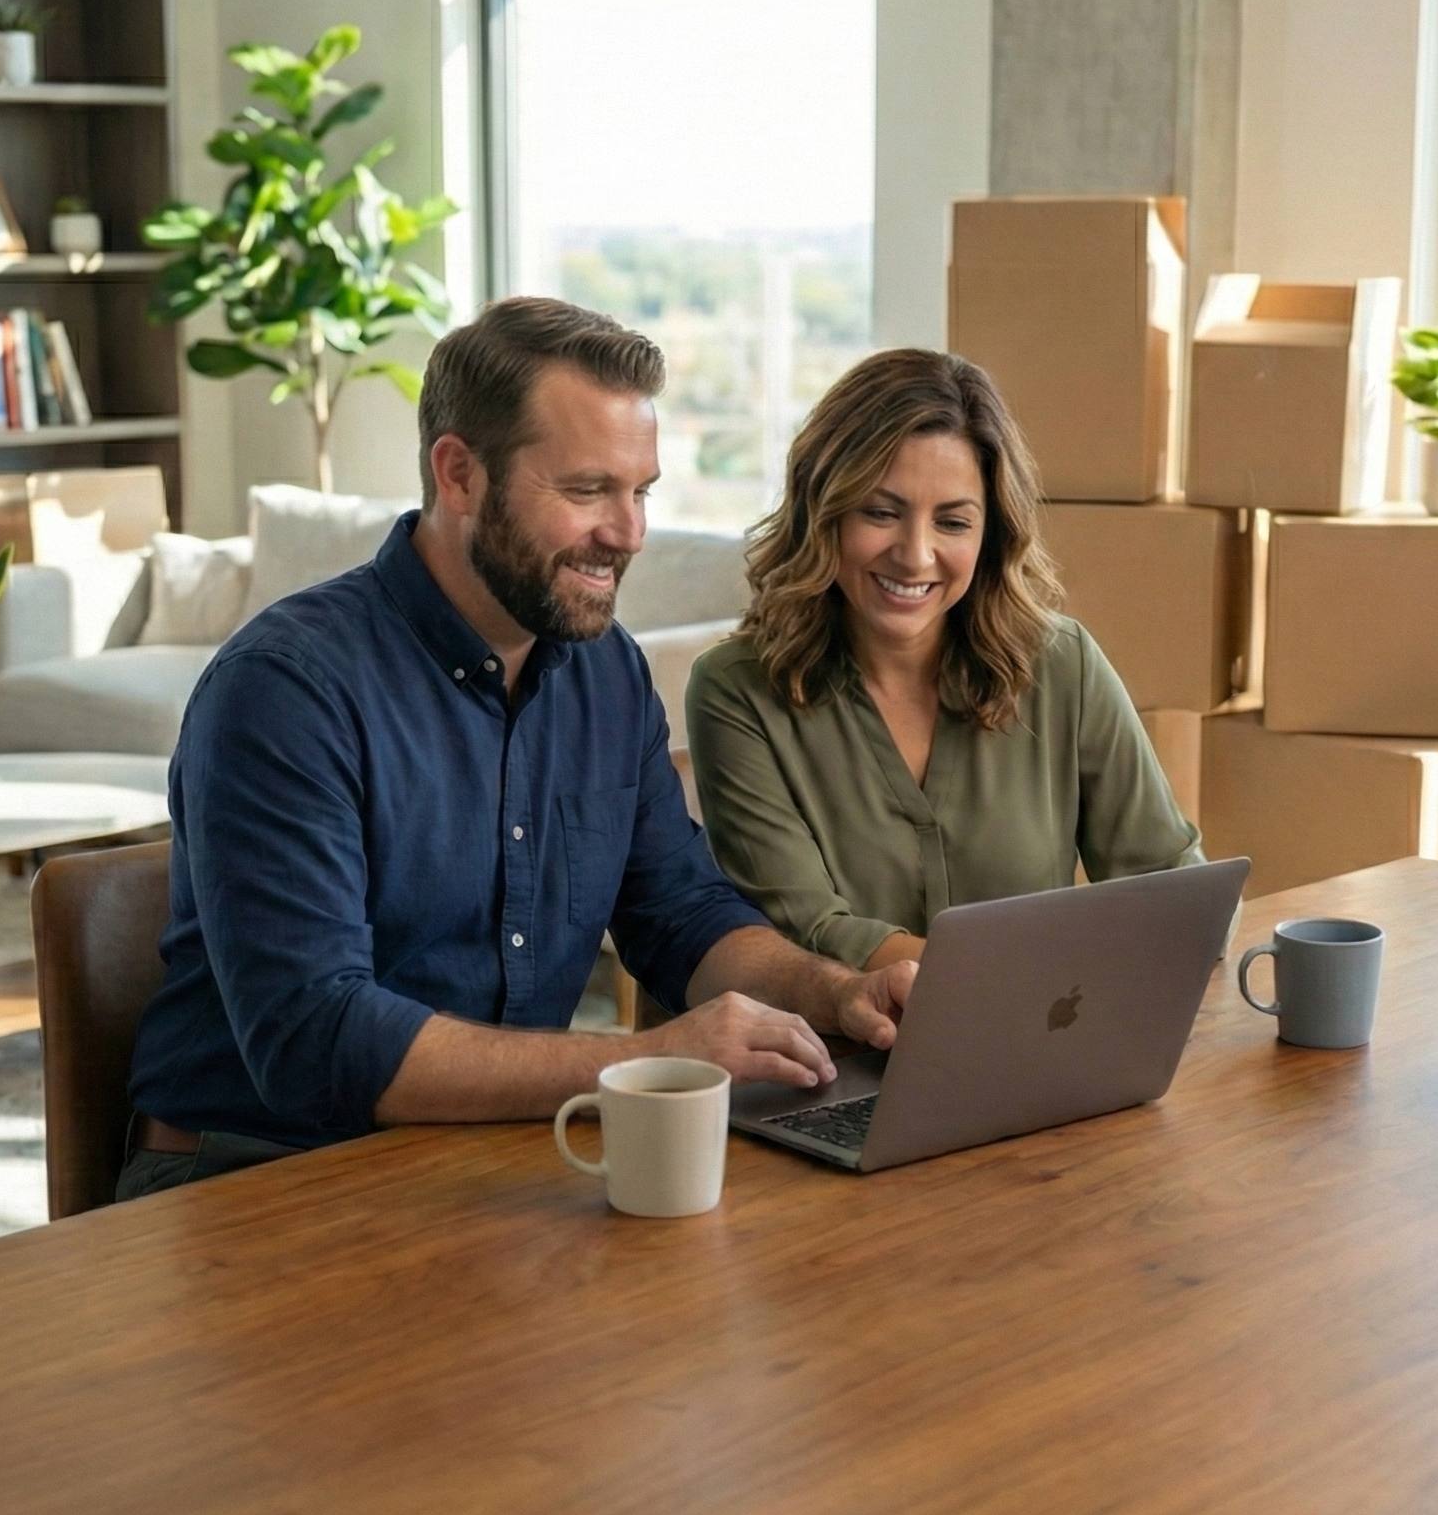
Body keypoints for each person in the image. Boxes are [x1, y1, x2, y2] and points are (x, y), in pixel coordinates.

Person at [120, 297, 914, 1199]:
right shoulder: (284, 691)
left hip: (486, 1162)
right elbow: (315, 1042)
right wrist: (642, 1060)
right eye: (586, 492)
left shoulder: (603, 672)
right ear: (459, 473)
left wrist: (832, 991)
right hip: (252, 1178)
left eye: (640, 491)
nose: (628, 534)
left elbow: (681, 914)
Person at [685, 347, 1203, 974]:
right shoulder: (737, 691)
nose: (915, 554)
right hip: (831, 1057)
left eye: (953, 522)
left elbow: (1172, 886)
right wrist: (1013, 982)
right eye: (881, 513)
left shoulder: (1063, 665)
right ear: (822, 511)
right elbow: (810, 929)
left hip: (1035, 1047)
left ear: (991, 536)